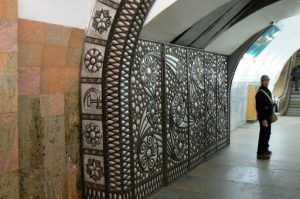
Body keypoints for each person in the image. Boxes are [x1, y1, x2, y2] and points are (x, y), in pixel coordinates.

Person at [255, 75, 274, 160]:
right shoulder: (260, 93)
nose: (267, 82)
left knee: (267, 133)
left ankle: (265, 149)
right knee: (263, 134)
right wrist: (263, 119)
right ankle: (260, 153)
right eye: (265, 81)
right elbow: (259, 107)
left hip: (268, 116)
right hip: (264, 117)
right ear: (262, 82)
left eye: (268, 80)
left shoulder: (267, 91)